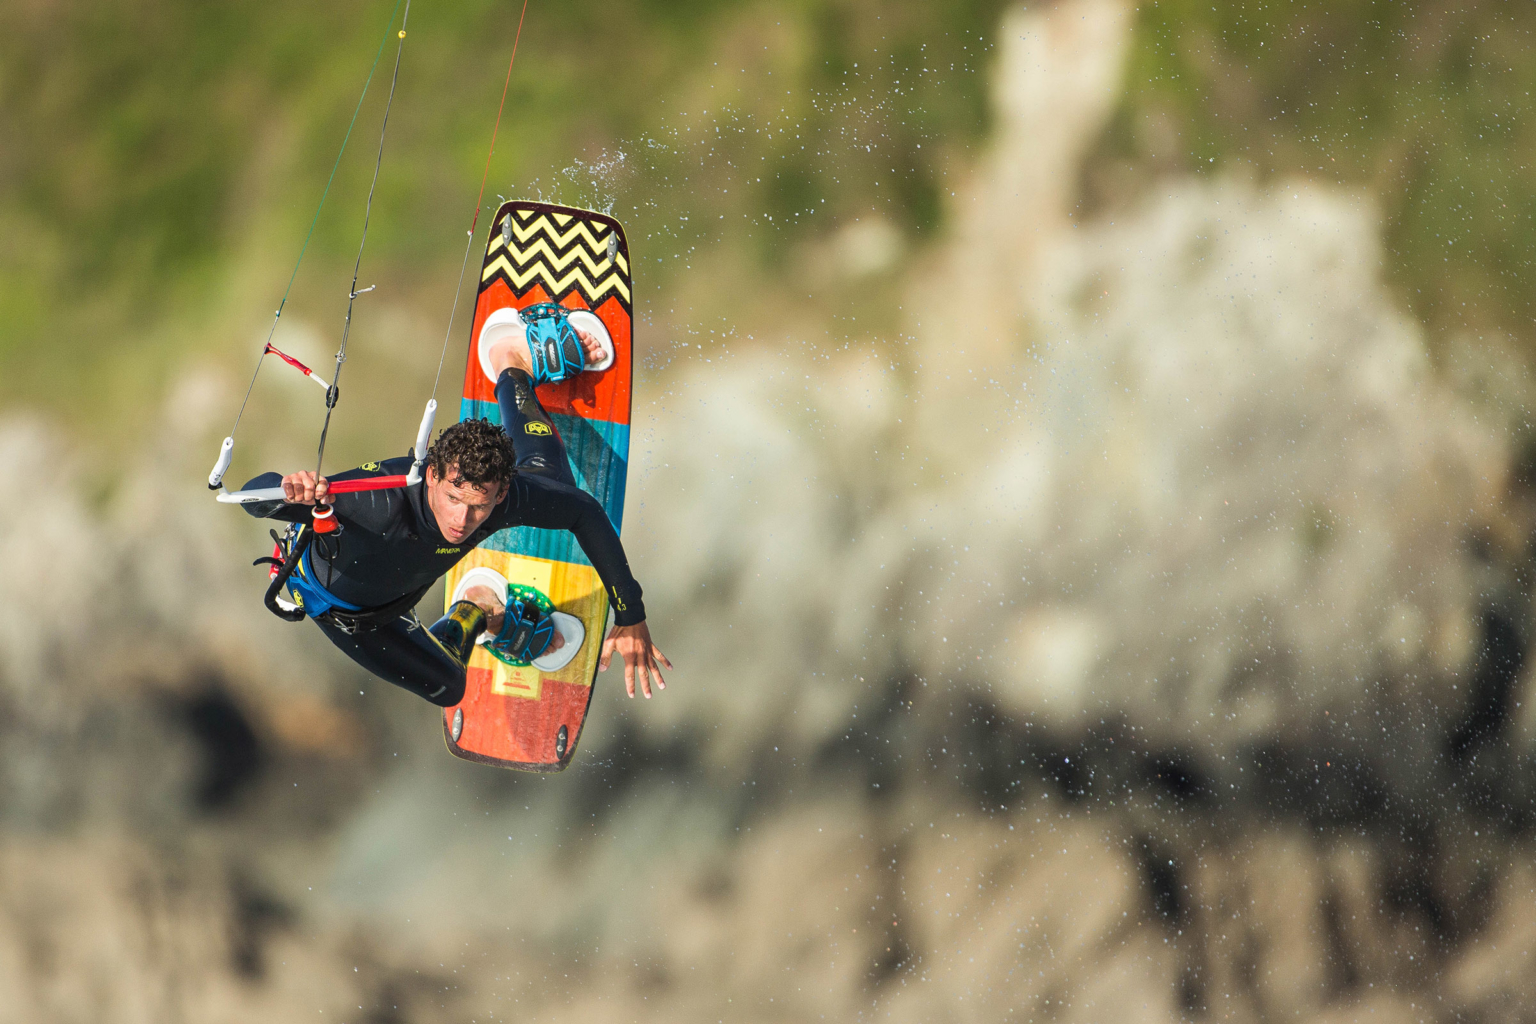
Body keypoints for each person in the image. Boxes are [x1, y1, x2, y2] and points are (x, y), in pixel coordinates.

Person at [239, 316, 670, 706]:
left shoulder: (501, 499)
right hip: (345, 612)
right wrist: (289, 490)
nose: (461, 521)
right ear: (432, 476)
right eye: (453, 499)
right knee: (449, 687)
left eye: (479, 506)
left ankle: (511, 362)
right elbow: (249, 497)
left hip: (404, 585)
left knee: (555, 486)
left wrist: (630, 614)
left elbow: (584, 513)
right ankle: (479, 606)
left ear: (500, 493)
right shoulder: (373, 504)